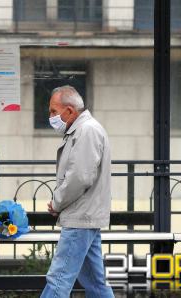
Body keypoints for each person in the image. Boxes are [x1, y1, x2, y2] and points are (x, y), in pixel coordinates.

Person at [41, 85, 114, 298]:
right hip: (86, 215)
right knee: (96, 283)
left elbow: (79, 177)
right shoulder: (84, 129)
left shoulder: (86, 131)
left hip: (80, 217)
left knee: (59, 279)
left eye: (54, 112)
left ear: (70, 111)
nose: (51, 117)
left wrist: (57, 203)